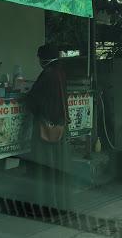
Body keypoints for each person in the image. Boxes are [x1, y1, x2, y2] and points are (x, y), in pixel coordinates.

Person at [25, 44, 71, 211]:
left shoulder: (47, 74)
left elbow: (32, 100)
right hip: (60, 127)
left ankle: (45, 205)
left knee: (44, 167)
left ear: (44, 58)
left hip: (44, 129)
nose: (39, 61)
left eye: (39, 57)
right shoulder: (60, 73)